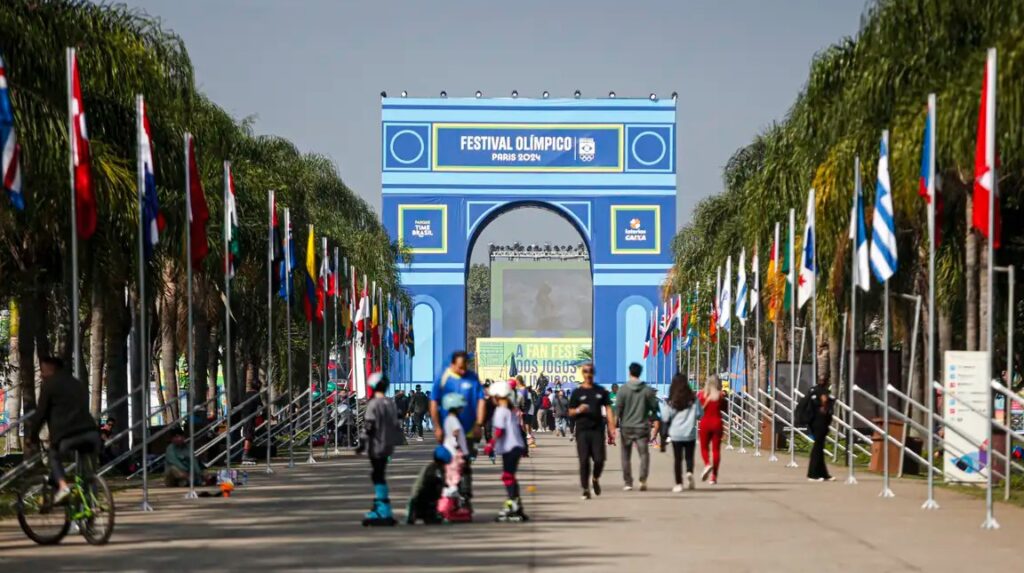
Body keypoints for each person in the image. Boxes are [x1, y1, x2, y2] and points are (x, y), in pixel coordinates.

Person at [28, 356, 100, 504]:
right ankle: (92, 505)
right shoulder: (78, 384)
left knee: (54, 456)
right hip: (91, 432)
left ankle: (63, 487)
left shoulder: (49, 385)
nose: (41, 374)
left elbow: (41, 414)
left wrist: (32, 437)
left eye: (43, 370)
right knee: (89, 472)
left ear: (52, 369)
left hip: (67, 435)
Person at [430, 351, 486, 507]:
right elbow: (433, 403)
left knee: (465, 464)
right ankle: (449, 497)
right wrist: (437, 427)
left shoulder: (473, 378)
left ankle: (465, 497)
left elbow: (481, 401)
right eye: (460, 367)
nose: (463, 370)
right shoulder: (443, 379)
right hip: (447, 432)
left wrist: (479, 424)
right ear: (452, 364)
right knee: (447, 465)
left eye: (465, 366)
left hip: (468, 431)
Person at [357, 373, 402, 526]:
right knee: (380, 473)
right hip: (388, 445)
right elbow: (396, 422)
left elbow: (369, 425)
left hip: (375, 445)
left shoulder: (374, 404)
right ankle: (382, 505)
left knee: (377, 475)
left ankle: (382, 508)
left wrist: (362, 443)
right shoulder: (390, 403)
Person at [568, 363, 616, 499]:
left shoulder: (600, 391)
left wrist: (612, 427)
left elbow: (608, 408)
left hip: (597, 431)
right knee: (584, 461)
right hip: (582, 431)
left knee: (599, 460)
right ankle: (585, 489)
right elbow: (570, 412)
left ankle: (595, 479)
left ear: (593, 373)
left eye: (590, 371)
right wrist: (579, 410)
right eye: (585, 371)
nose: (588, 374)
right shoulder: (577, 393)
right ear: (583, 373)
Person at [484, 379, 529, 521]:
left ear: (497, 396)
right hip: (516, 447)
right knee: (510, 476)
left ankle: (513, 505)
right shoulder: (510, 410)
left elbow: (499, 430)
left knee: (507, 476)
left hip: (510, 447)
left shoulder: (500, 411)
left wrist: (490, 444)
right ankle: (516, 503)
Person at [616, 362, 660, 491]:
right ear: (640, 373)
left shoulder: (623, 389)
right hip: (642, 427)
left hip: (626, 427)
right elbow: (654, 407)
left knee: (625, 455)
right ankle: (642, 479)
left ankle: (628, 482)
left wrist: (613, 427)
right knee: (644, 454)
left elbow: (618, 410)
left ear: (629, 372)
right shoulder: (647, 390)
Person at [663, 373, 702, 492]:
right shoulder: (693, 399)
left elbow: (665, 417)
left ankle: (679, 483)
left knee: (678, 459)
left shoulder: (672, 401)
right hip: (690, 433)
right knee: (689, 457)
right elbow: (699, 414)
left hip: (676, 434)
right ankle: (689, 472)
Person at [438, 392, 472, 522]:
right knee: (457, 480)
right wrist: (459, 448)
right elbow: (456, 433)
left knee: (453, 480)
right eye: (460, 407)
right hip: (455, 454)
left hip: (451, 453)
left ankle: (451, 506)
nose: (462, 409)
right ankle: (452, 506)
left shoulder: (448, 419)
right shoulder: (453, 419)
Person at [698, 376, 725, 485]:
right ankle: (713, 477)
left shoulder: (701, 395)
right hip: (717, 423)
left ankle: (707, 464)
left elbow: (699, 410)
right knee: (716, 450)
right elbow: (725, 408)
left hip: (705, 423)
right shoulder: (720, 395)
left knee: (704, 447)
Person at [806, 381, 836, 482]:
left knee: (819, 448)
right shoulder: (822, 391)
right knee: (817, 448)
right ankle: (813, 474)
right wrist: (825, 405)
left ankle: (823, 473)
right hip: (820, 423)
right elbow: (824, 399)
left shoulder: (814, 391)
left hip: (814, 423)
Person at [240, 381, 262, 465]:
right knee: (249, 436)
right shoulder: (256, 395)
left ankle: (247, 453)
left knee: (248, 435)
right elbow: (260, 408)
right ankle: (245, 454)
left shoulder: (246, 394)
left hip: (244, 416)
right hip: (250, 418)